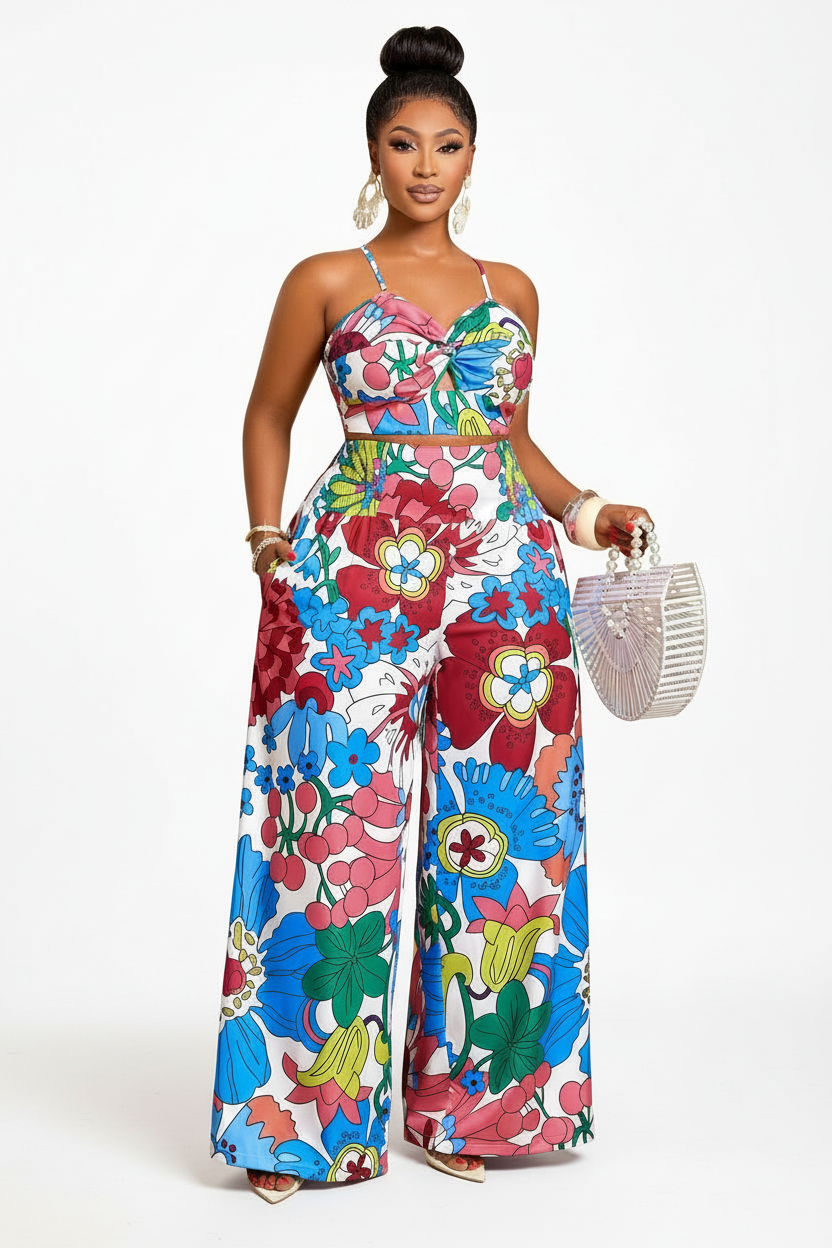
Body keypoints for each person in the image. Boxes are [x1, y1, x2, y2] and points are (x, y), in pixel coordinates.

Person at [211, 25, 653, 1204]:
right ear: (373, 151)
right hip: (353, 575)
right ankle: (295, 1126)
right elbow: (266, 415)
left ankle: (482, 1111)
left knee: (508, 844)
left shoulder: (513, 292)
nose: (424, 165)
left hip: (506, 585)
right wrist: (266, 541)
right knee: (326, 831)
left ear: (472, 157)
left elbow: (509, 442)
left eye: (446, 145)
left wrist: (589, 510)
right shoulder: (324, 280)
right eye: (404, 143)